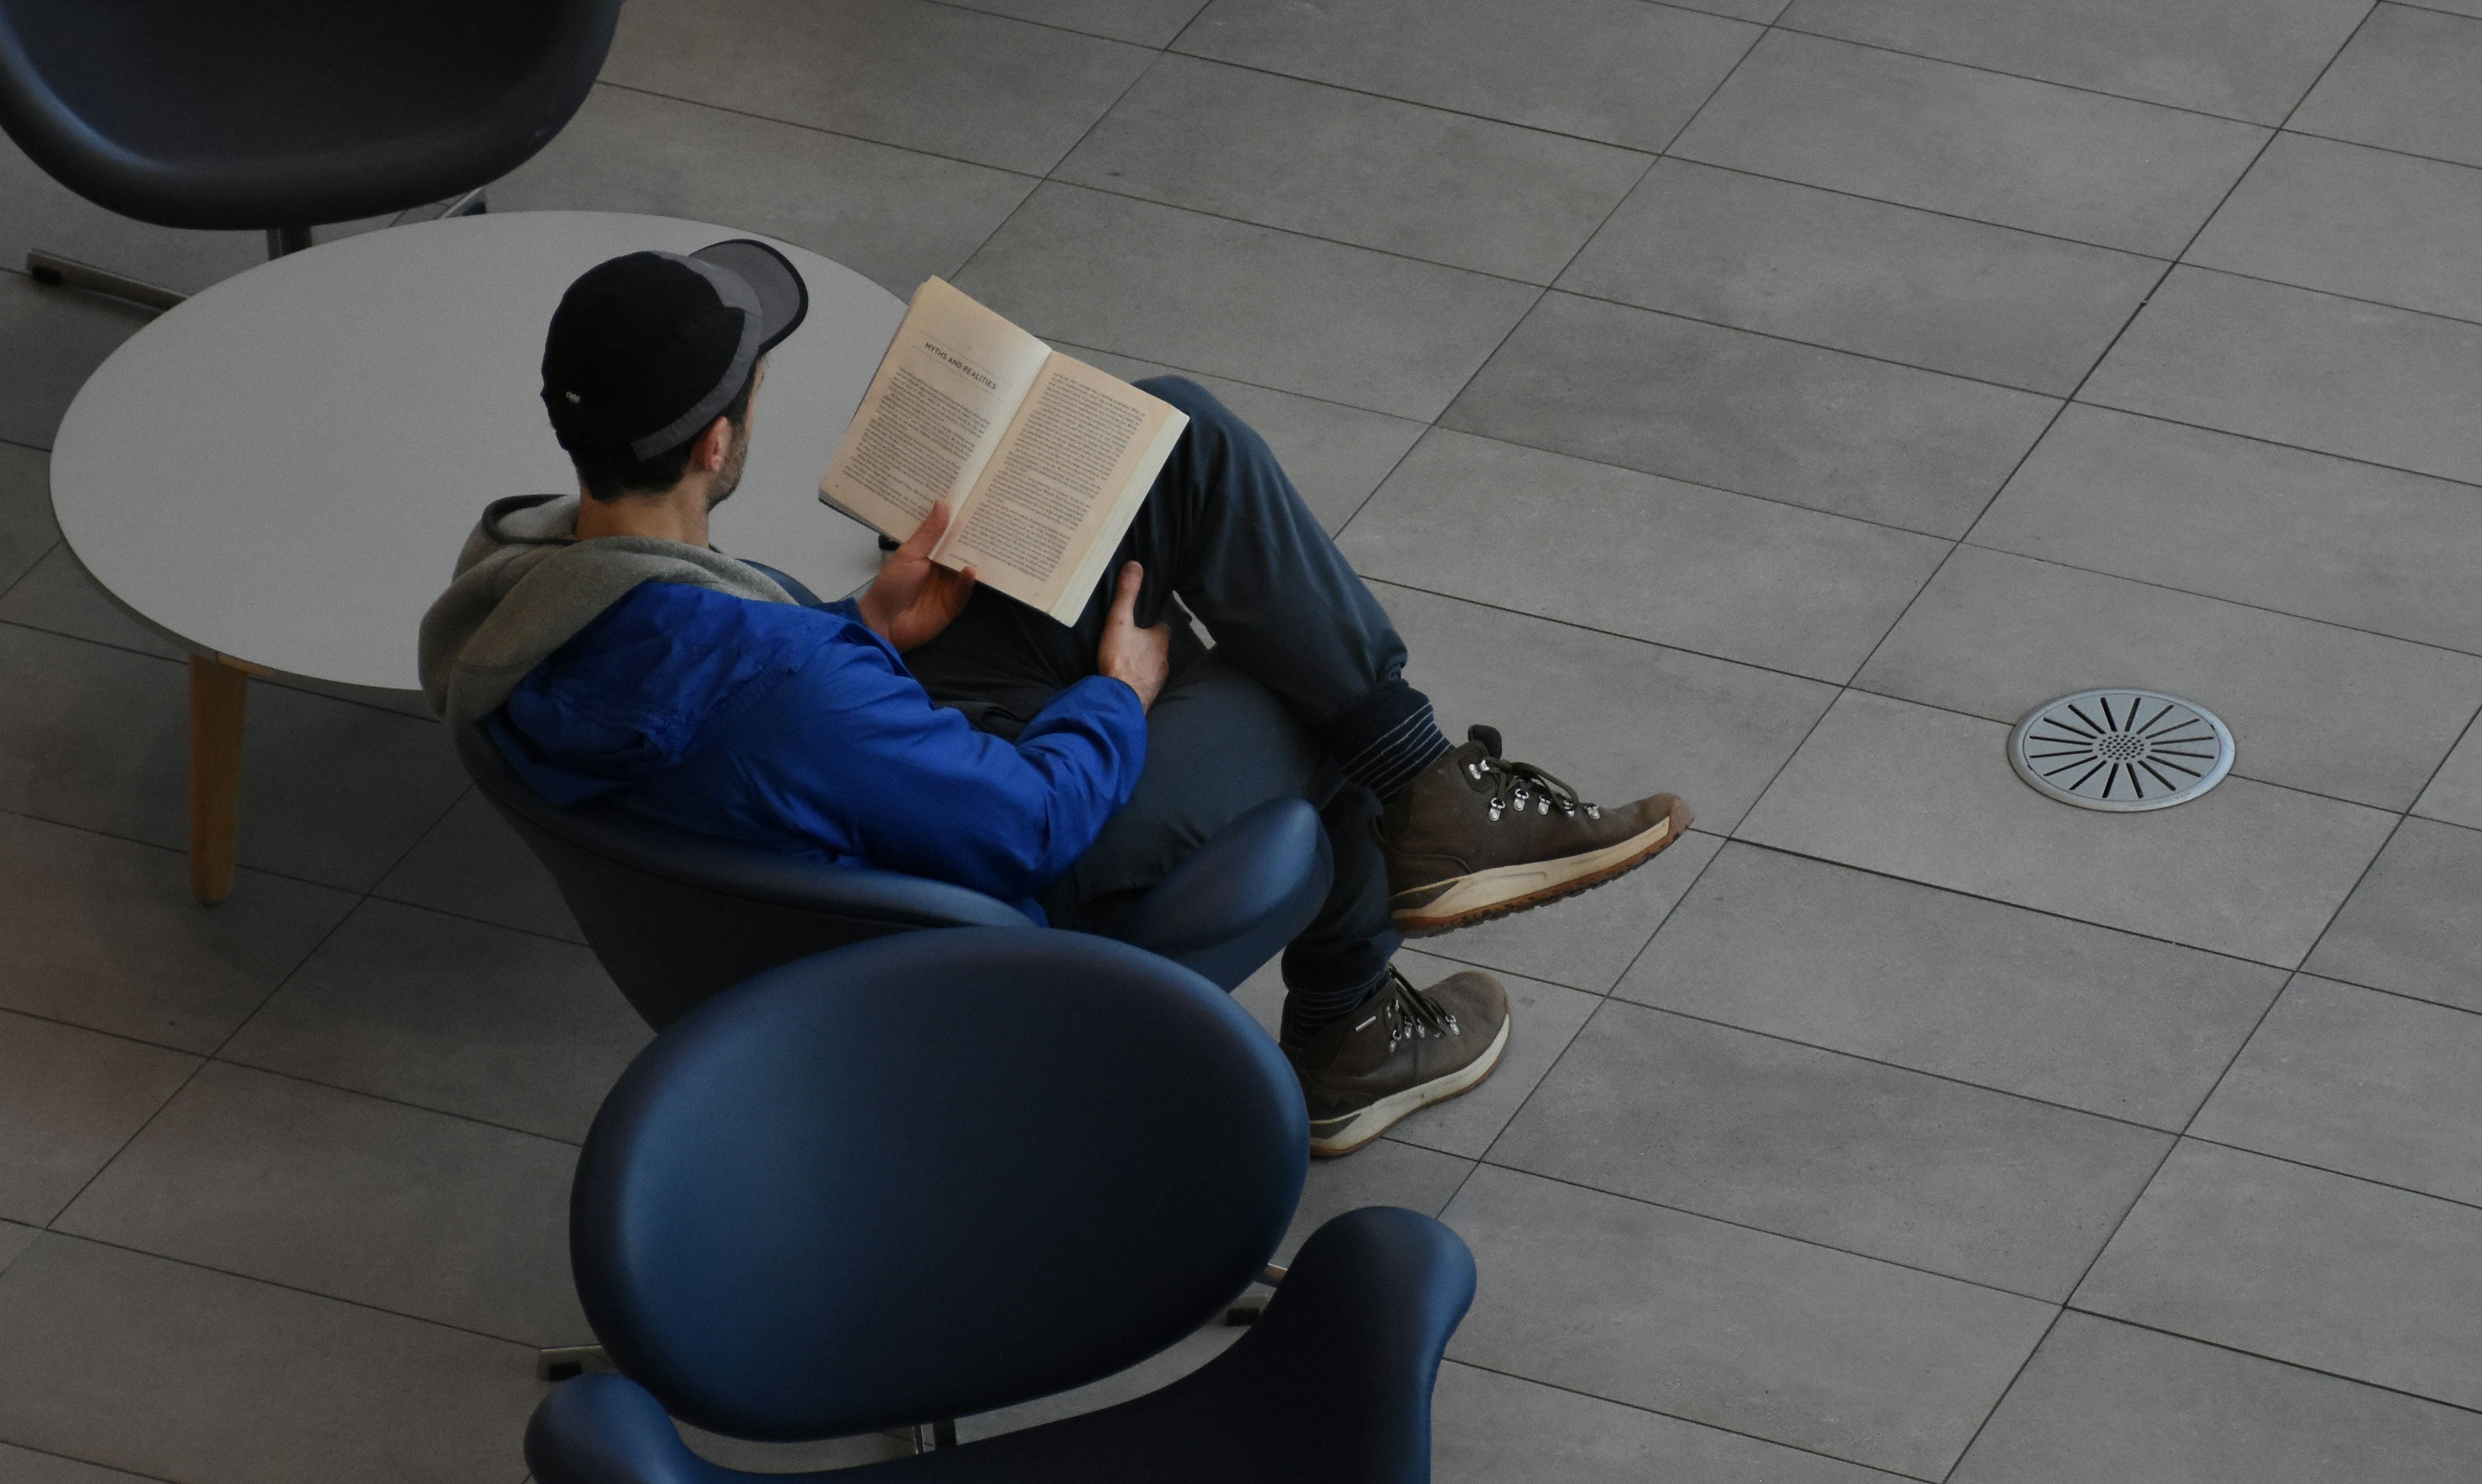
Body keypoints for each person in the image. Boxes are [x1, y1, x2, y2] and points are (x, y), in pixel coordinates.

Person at [418, 240, 1689, 1153]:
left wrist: (868, 625)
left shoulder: (520, 590)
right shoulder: (774, 677)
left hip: (824, 824)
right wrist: (1123, 700)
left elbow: (733, 707)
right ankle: (1361, 981)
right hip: (959, 913)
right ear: (714, 444)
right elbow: (1024, 820)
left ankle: (1409, 816)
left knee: (1176, 439)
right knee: (1291, 693)